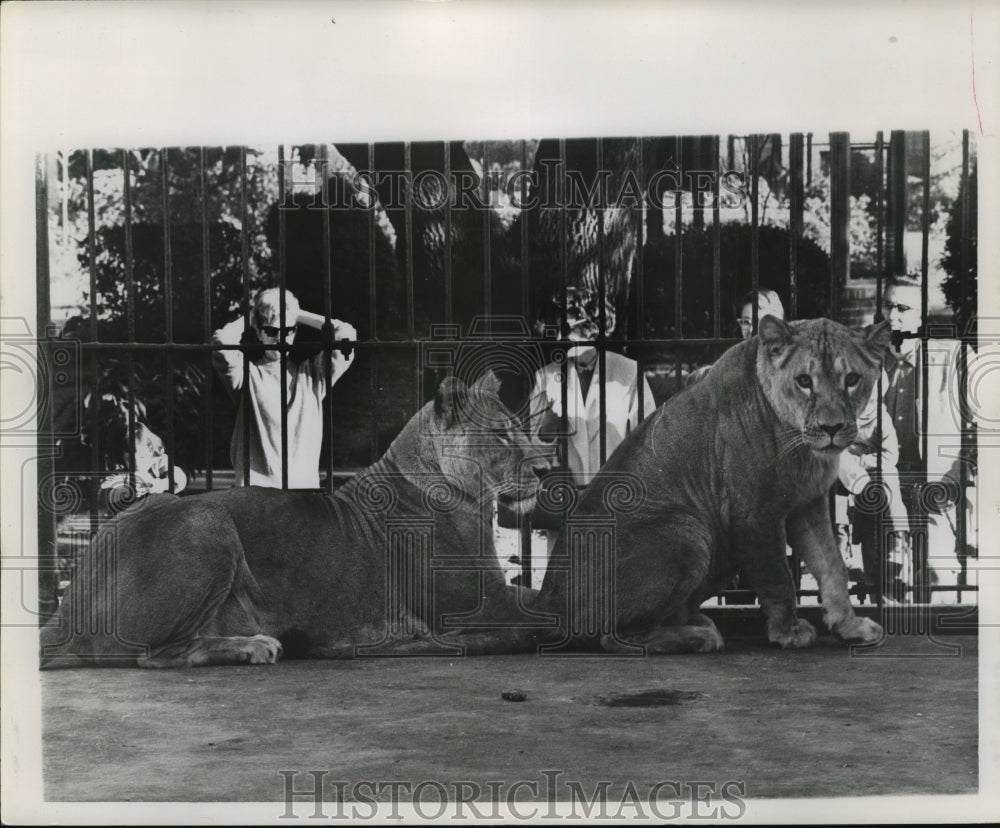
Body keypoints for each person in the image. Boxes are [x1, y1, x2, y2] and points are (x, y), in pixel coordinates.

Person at [733, 289, 911, 602]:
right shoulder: (727, 372)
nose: (753, 331)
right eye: (747, 322)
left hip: (826, 474)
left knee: (872, 490)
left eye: (762, 323)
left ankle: (881, 592)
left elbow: (878, 439)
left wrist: (850, 466)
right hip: (759, 485)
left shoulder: (822, 364)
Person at [870, 274, 977, 603]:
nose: (892, 315)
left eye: (903, 307)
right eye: (887, 305)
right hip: (883, 492)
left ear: (921, 316)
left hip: (936, 491)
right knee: (887, 599)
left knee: (937, 588)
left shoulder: (953, 357)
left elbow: (984, 429)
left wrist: (957, 478)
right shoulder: (867, 362)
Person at [212, 288, 356, 489]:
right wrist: (254, 315)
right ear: (259, 332)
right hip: (254, 496)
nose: (281, 338)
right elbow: (221, 342)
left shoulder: (313, 375)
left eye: (288, 331)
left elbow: (346, 336)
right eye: (272, 331)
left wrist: (297, 314)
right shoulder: (246, 375)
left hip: (301, 496)